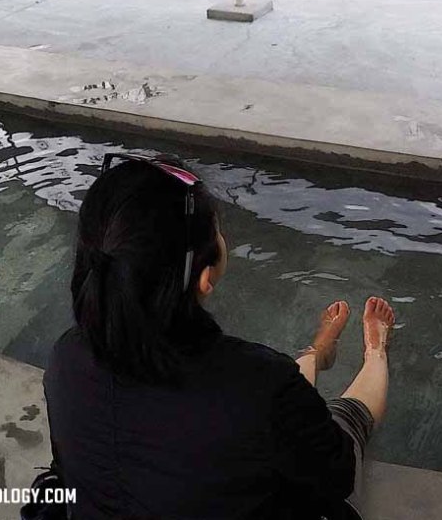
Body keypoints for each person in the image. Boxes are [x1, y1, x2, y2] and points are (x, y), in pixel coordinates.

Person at [43, 153, 394, 519]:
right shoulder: (259, 385)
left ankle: (318, 350)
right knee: (345, 416)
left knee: (283, 398)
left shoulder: (67, 358)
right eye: (218, 230)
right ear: (205, 278)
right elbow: (336, 479)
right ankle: (375, 349)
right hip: (264, 408)